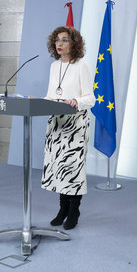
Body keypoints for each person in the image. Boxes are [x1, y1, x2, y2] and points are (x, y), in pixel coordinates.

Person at [42, 26, 95, 230]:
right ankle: (62, 208)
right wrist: (35, 100)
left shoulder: (82, 65)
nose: (59, 44)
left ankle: (74, 210)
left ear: (74, 43)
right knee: (59, 167)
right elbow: (51, 95)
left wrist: (76, 100)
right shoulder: (54, 66)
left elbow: (90, 98)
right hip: (56, 123)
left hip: (75, 124)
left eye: (64, 40)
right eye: (57, 40)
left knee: (73, 168)